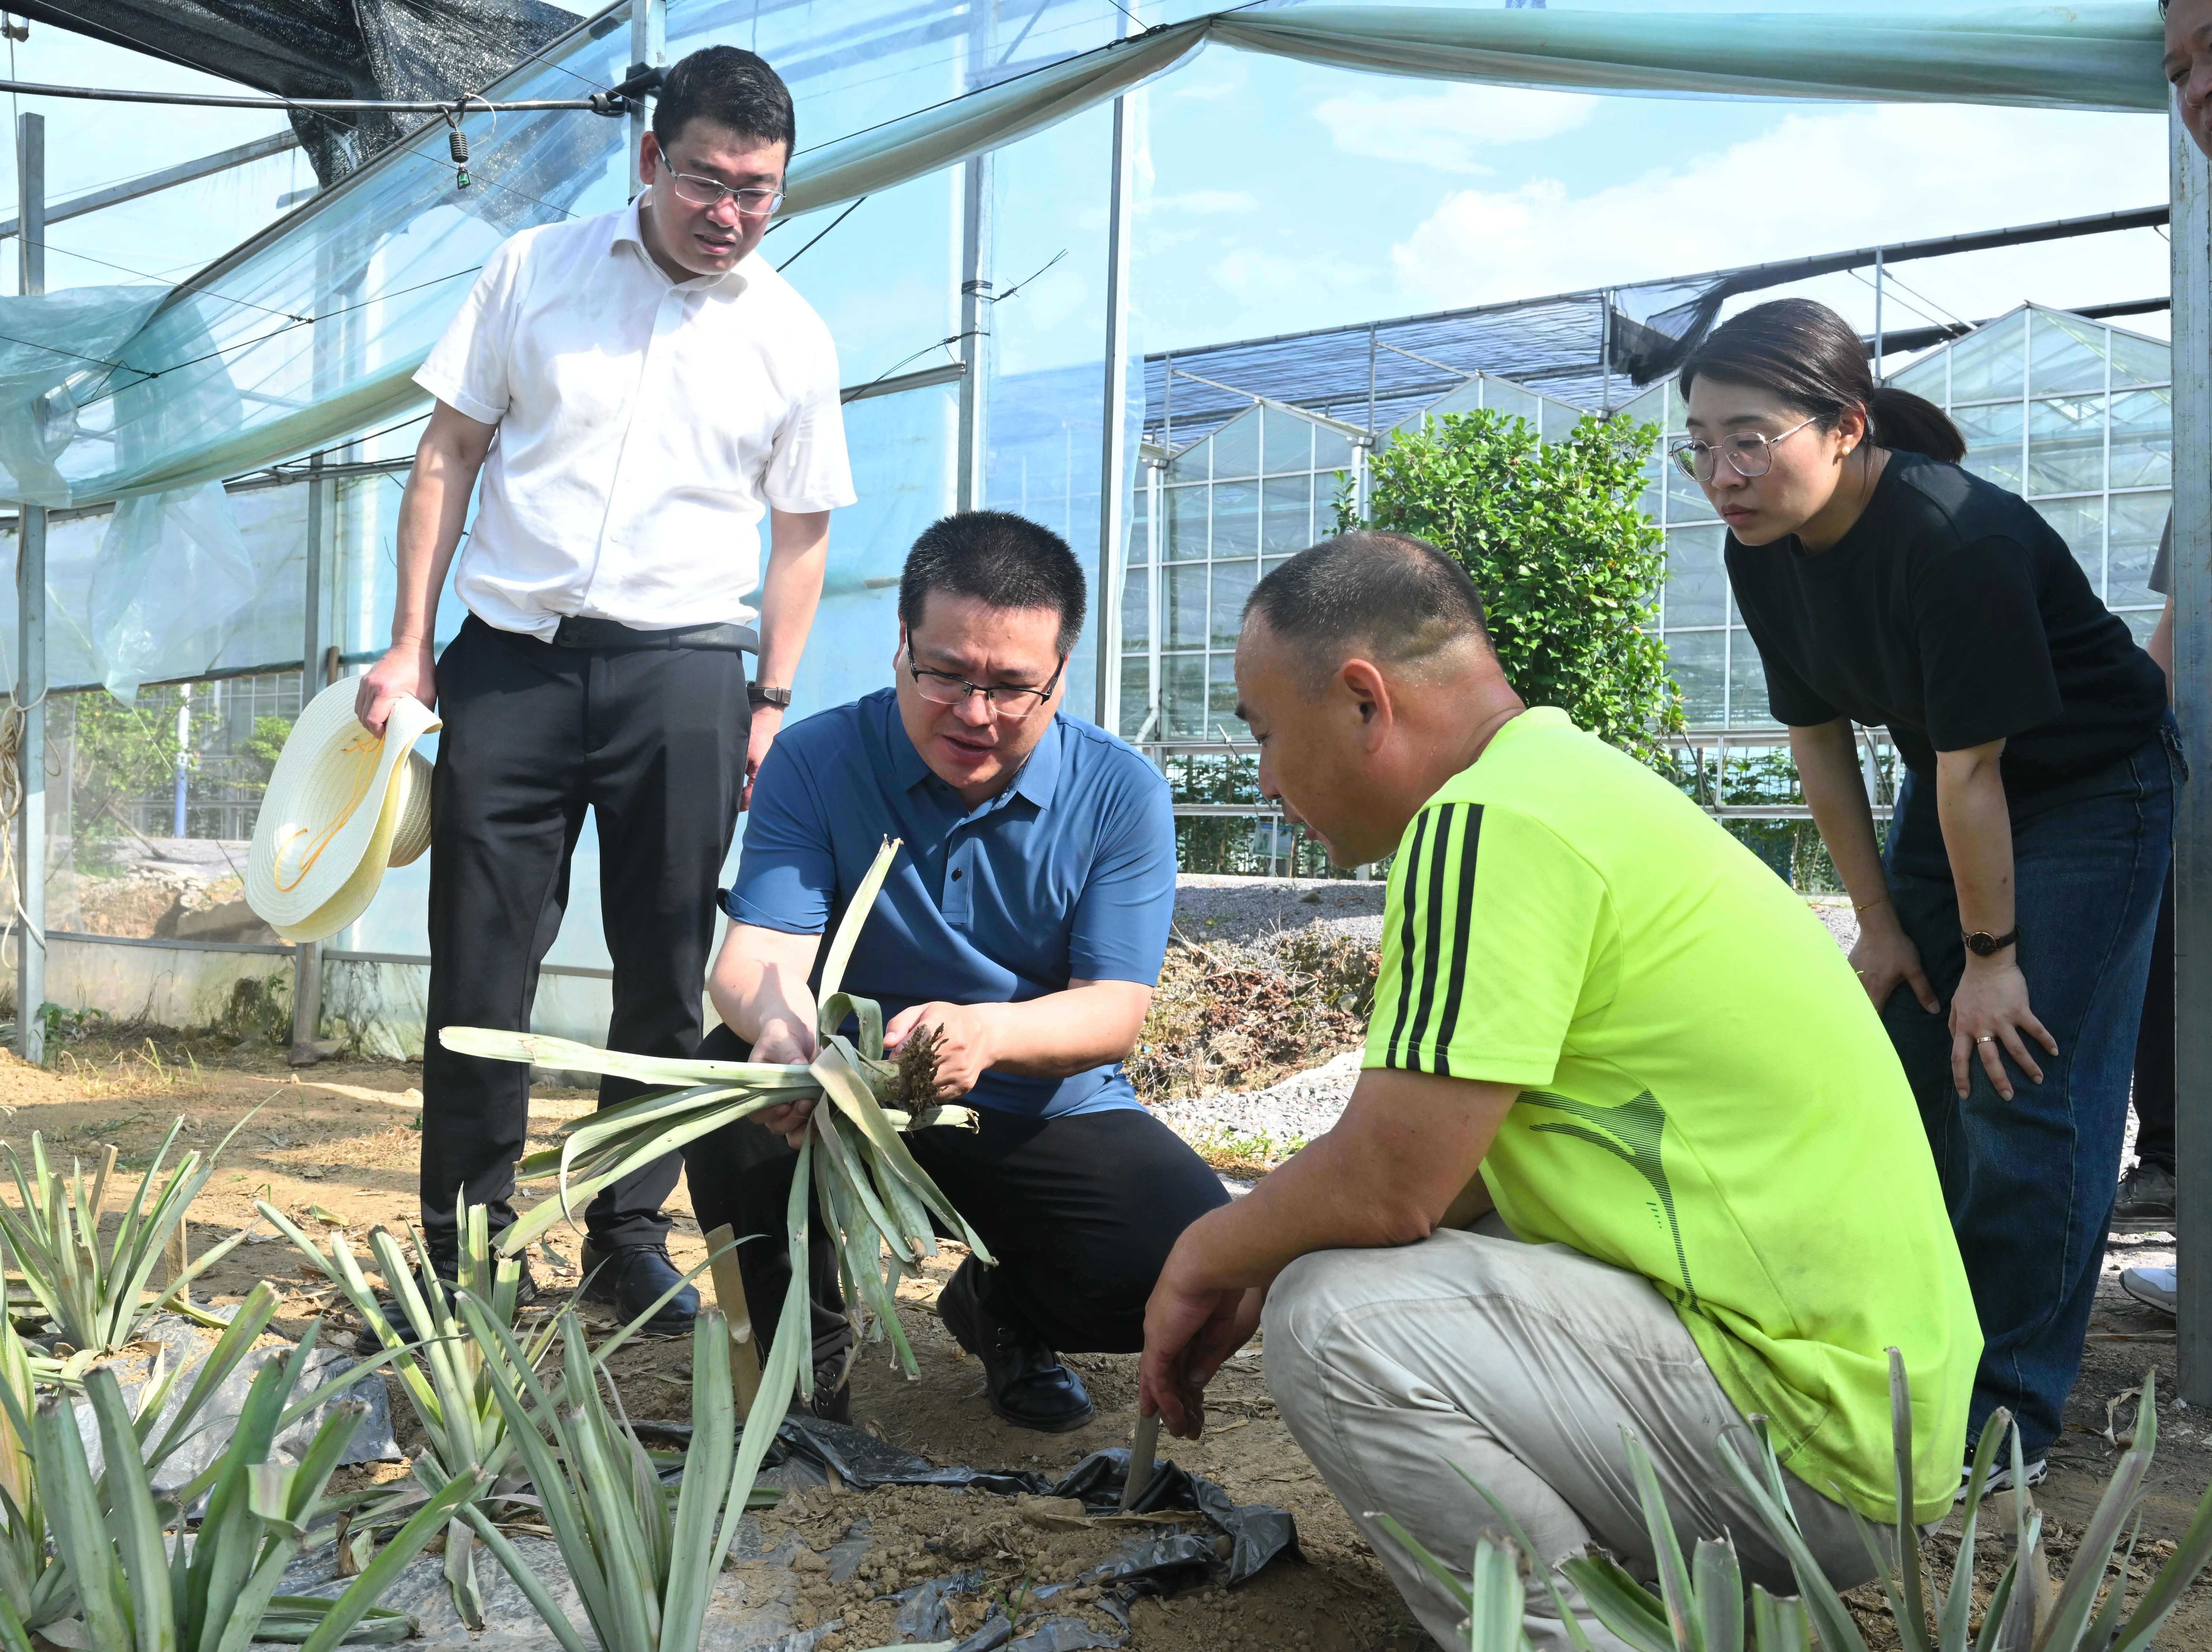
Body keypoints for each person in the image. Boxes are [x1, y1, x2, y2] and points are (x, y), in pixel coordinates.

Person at [1139, 531, 1980, 1652]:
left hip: (1806, 1440)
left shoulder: (1489, 823)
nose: (1264, 780)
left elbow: (1391, 1184)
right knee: (1338, 1272)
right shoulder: (1570, 783)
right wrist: (1269, 1235)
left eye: (1263, 733)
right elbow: (1453, 1167)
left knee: (1335, 1323)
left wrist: (1208, 1252)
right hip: (1880, 1420)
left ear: (1360, 700)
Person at [352, 47, 854, 1327]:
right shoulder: (534, 271)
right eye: (708, 180)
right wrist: (410, 644)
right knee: (481, 969)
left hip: (686, 673)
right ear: (651, 160)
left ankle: (627, 1235)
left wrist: (771, 703)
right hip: (509, 663)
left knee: (663, 970)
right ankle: (468, 1244)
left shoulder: (792, 335)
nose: (730, 213)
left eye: (760, 190)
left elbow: (802, 534)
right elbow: (446, 452)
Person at [1684, 298, 2176, 1488]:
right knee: (1904, 1053)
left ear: (1845, 426)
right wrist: (1886, 928)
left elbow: (1978, 768)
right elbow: (1820, 743)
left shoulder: (1955, 536)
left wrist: (1994, 958)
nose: (1722, 473)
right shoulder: (1760, 549)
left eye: (1749, 438)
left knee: (2018, 1072)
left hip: (2086, 788)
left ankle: (2004, 1410)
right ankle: (1909, 1342)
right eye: (1699, 442)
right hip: (1952, 787)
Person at [681, 511, 1227, 1427]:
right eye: (945, 673)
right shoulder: (818, 760)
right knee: (739, 1089)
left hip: (1032, 1103)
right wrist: (782, 1029)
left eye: (1013, 687)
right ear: (902, 646)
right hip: (846, 1089)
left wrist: (992, 1032)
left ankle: (1000, 1307)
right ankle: (801, 1390)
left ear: (1061, 678)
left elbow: (1113, 1008)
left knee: (1177, 1258)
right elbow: (756, 957)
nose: (975, 714)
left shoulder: (1119, 792)